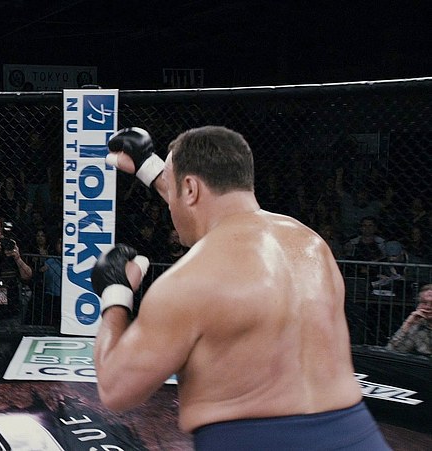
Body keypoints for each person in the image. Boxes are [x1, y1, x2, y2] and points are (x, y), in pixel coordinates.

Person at [92, 126, 389, 449]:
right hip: (359, 436)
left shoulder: (189, 281)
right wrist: (148, 166)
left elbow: (115, 389)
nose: (170, 205)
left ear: (189, 189)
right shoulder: (311, 245)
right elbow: (209, 210)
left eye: (174, 189)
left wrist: (115, 294)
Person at [386, 284, 432, 356]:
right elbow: (391, 351)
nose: (428, 307)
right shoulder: (418, 324)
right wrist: (408, 324)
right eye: (424, 302)